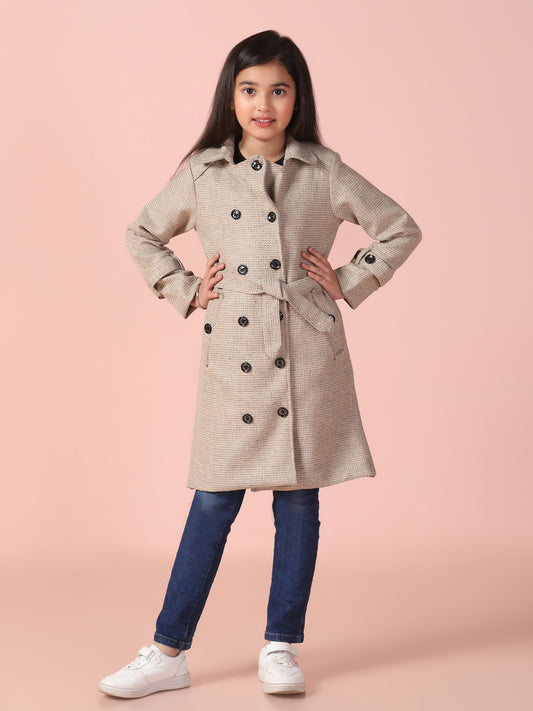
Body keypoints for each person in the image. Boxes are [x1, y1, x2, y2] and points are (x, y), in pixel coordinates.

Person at [98, 29, 422, 698]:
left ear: (297, 98)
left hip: (306, 350)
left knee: (298, 501)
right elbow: (141, 233)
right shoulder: (203, 172)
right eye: (249, 90)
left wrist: (349, 279)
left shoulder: (323, 169)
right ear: (231, 97)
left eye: (278, 90)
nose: (263, 104)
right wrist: (186, 289)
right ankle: (167, 650)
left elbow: (398, 226)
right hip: (234, 354)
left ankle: (280, 646)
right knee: (213, 500)